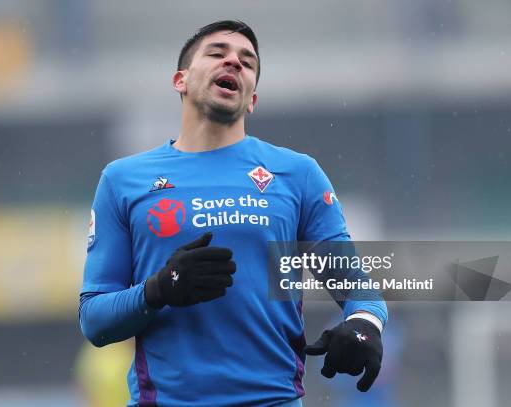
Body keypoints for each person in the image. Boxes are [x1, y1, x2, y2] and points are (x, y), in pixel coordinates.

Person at [79, 20, 387, 407]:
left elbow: (359, 287)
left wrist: (364, 324)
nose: (234, 62)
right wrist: (158, 289)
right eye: (216, 53)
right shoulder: (123, 180)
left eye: (248, 61)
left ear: (252, 99)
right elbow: (94, 319)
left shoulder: (297, 174)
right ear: (181, 80)